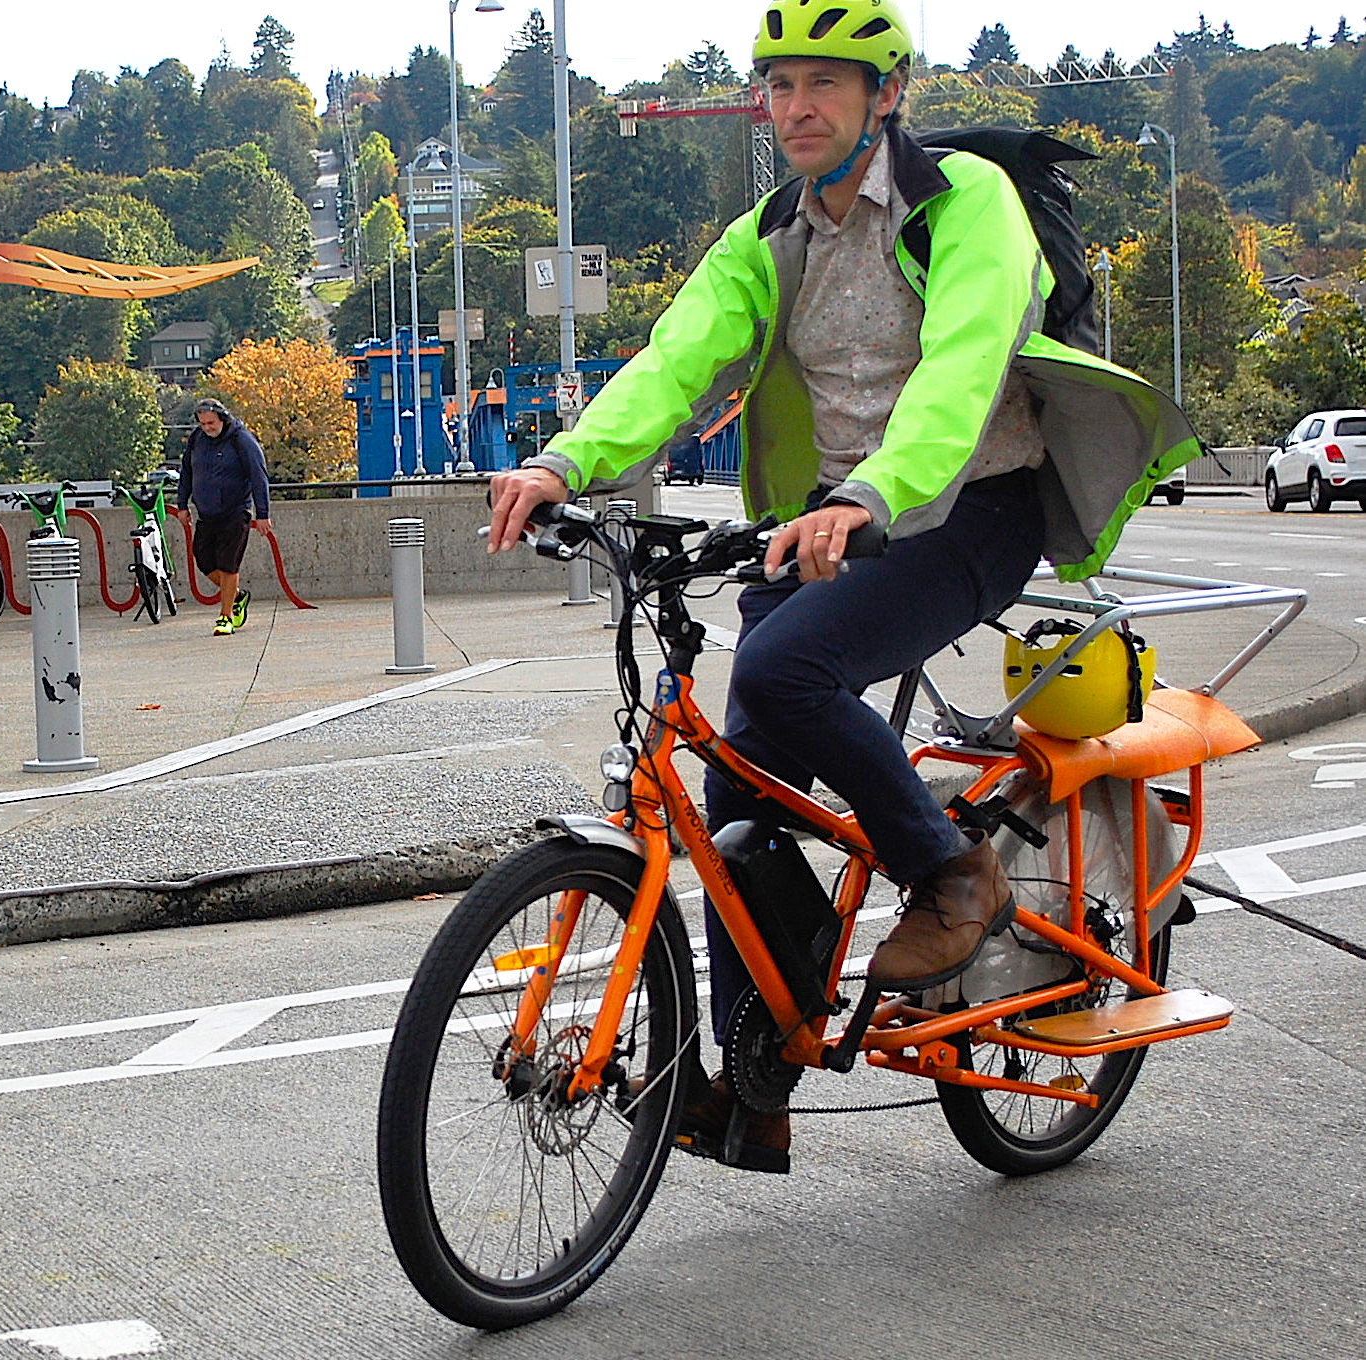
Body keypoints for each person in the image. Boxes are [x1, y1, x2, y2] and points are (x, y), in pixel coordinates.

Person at [486, 0, 1196, 1173]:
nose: (799, 106)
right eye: (780, 85)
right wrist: (567, 461)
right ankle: (753, 1081)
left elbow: (963, 371)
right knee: (741, 801)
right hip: (826, 524)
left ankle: (951, 872)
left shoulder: (968, 209)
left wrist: (872, 495)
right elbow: (675, 358)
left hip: (969, 505)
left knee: (779, 665)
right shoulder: (769, 234)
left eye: (828, 81)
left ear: (889, 92)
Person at [175, 398, 272, 636]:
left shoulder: (241, 439)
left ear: (222, 417)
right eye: (203, 423)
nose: (208, 427)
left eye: (211, 422)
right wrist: (182, 504)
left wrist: (263, 514)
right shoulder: (197, 440)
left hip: (235, 511)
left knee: (228, 564)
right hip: (207, 513)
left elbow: (259, 476)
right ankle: (237, 595)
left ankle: (225, 616)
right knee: (205, 562)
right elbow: (186, 471)